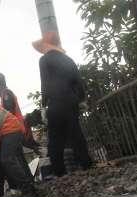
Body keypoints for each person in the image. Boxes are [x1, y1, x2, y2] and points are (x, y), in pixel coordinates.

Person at [34, 31, 92, 177]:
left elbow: (45, 83)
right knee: (76, 133)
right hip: (71, 100)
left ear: (46, 46)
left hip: (56, 102)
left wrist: (43, 105)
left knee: (55, 138)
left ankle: (60, 172)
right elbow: (78, 81)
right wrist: (82, 99)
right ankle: (87, 165)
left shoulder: (44, 60)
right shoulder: (68, 60)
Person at [0, 72, 40, 150]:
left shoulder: (6, 93)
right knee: (19, 156)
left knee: (11, 158)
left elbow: (9, 113)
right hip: (15, 128)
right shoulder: (4, 94)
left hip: (15, 129)